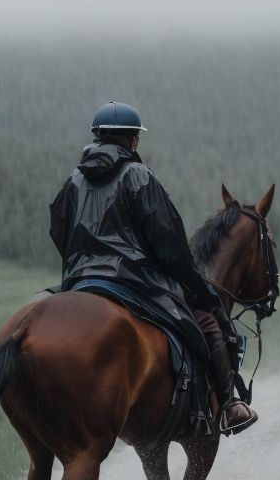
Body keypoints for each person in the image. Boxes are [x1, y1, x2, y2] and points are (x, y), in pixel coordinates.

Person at [49, 101, 258, 435]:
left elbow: (58, 231)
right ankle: (230, 405)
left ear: (98, 137)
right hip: (133, 281)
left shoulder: (73, 181)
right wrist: (201, 291)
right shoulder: (138, 176)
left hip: (80, 281)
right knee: (206, 320)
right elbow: (170, 246)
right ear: (133, 140)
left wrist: (84, 262)